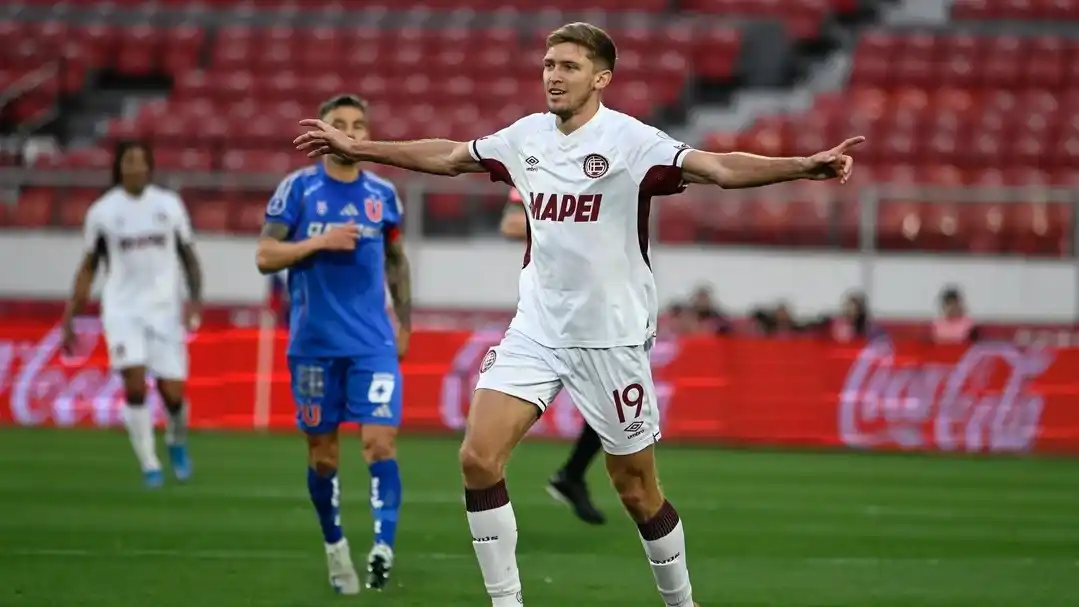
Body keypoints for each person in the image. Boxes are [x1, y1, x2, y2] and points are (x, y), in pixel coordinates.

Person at [293, 22, 861, 607]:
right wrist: (360, 149)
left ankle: (681, 603)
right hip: (536, 330)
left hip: (611, 339)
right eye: (548, 65)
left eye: (567, 66)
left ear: (601, 78)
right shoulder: (527, 136)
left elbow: (717, 168)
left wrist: (802, 165)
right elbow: (450, 156)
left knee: (637, 492)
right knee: (477, 459)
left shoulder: (632, 141)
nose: (553, 75)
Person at [258, 94, 411, 595]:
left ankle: (383, 548)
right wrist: (316, 242)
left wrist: (404, 323)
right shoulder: (297, 191)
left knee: (379, 443)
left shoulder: (384, 194)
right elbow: (265, 255)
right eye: (339, 124)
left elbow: (396, 261)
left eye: (358, 125)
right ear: (321, 133)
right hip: (314, 345)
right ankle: (334, 545)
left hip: (372, 344)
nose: (350, 131)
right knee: (324, 457)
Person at [60, 140, 202, 488]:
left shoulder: (169, 205)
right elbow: (89, 265)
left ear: (150, 167)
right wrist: (70, 315)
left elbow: (188, 255)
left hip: (165, 310)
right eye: (128, 161)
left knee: (173, 395)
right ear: (119, 167)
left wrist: (194, 300)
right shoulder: (103, 212)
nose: (135, 167)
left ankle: (176, 441)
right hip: (123, 311)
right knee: (135, 386)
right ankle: (149, 463)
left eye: (140, 161)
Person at [501, 187, 605, 525]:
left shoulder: (604, 171)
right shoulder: (539, 169)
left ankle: (572, 474)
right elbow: (512, 225)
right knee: (515, 401)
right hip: (546, 311)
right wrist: (565, 227)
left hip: (593, 304)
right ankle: (486, 470)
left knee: (610, 405)